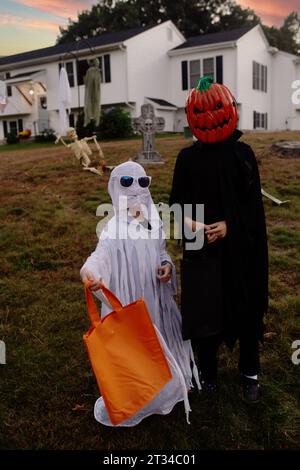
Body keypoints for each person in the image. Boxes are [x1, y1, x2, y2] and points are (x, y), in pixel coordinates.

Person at [169, 76, 268, 402]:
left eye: (216, 109)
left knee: (245, 306)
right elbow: (176, 205)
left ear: (229, 109)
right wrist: (190, 223)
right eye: (202, 111)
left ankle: (249, 372)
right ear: (192, 115)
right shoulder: (187, 159)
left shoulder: (243, 155)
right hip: (201, 247)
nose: (211, 117)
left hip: (240, 249)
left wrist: (230, 226)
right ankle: (207, 372)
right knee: (205, 309)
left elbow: (252, 207)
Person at [81, 161, 200, 426]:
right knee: (134, 346)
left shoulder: (152, 222)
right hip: (127, 298)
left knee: (153, 342)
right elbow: (100, 256)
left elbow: (160, 250)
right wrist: (90, 271)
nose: (137, 195)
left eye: (143, 186)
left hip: (152, 298)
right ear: (116, 191)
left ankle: (161, 387)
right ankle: (137, 394)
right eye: (128, 189)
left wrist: (166, 266)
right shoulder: (113, 229)